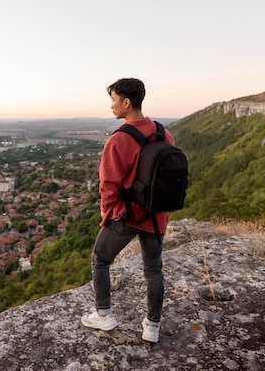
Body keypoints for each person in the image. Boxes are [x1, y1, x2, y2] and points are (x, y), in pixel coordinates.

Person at [81, 77, 174, 343]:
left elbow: (108, 185)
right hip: (157, 215)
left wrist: (109, 213)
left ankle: (104, 316)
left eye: (113, 100)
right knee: (154, 270)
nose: (111, 106)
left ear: (126, 102)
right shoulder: (162, 132)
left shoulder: (118, 140)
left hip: (128, 215)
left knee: (100, 259)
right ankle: (152, 326)